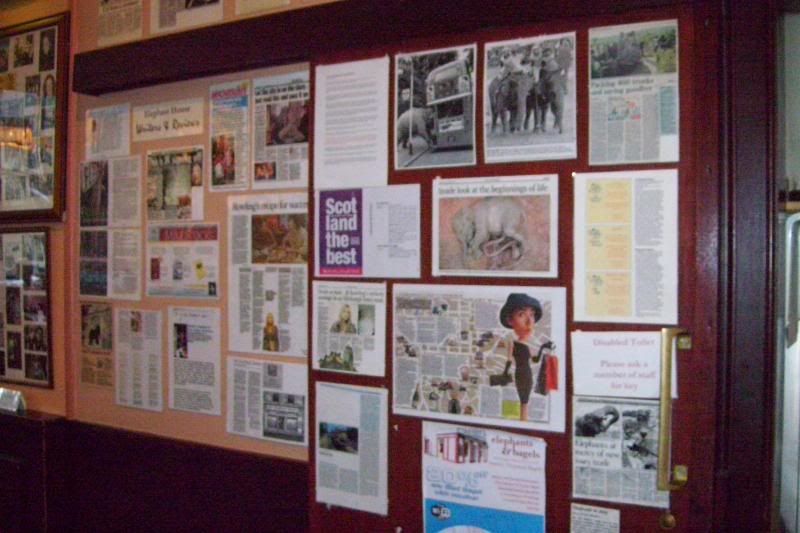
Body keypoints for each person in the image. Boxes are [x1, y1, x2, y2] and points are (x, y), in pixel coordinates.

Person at [496, 293, 547, 421]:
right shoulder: (512, 343)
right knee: (523, 401)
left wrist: (543, 349)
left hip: (528, 374)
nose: (529, 322)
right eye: (521, 315)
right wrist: (505, 374)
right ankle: (523, 420)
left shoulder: (528, 343)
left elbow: (534, 360)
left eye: (532, 315)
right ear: (510, 320)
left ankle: (524, 419)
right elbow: (509, 359)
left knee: (525, 401)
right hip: (520, 375)